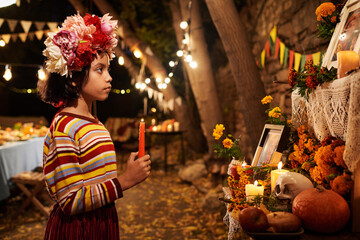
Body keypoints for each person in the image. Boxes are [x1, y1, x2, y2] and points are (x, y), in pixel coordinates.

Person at [37, 12, 151, 240]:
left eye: (108, 69)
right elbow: (70, 200)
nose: (109, 77)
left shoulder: (94, 122)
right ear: (73, 77)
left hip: (102, 223)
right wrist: (125, 180)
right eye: (100, 69)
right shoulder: (65, 127)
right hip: (78, 230)